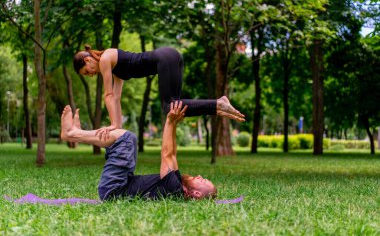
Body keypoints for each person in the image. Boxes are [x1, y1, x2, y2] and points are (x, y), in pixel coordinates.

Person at [73, 46, 245, 138]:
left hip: (164, 58)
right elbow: (116, 98)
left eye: (87, 71)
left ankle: (218, 103)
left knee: (169, 107)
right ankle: (217, 107)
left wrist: (112, 125)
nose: (90, 75)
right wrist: (117, 126)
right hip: (170, 56)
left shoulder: (104, 59)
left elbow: (108, 95)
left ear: (88, 59)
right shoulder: (114, 67)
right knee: (173, 109)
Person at [60, 102, 217, 201]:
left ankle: (72, 134)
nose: (200, 176)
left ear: (196, 194)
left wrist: (169, 121)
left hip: (114, 190)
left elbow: (166, 154)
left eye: (203, 181)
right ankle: (77, 134)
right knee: (129, 138)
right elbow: (173, 153)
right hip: (121, 183)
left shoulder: (173, 189)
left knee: (126, 138)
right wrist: (174, 123)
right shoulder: (177, 184)